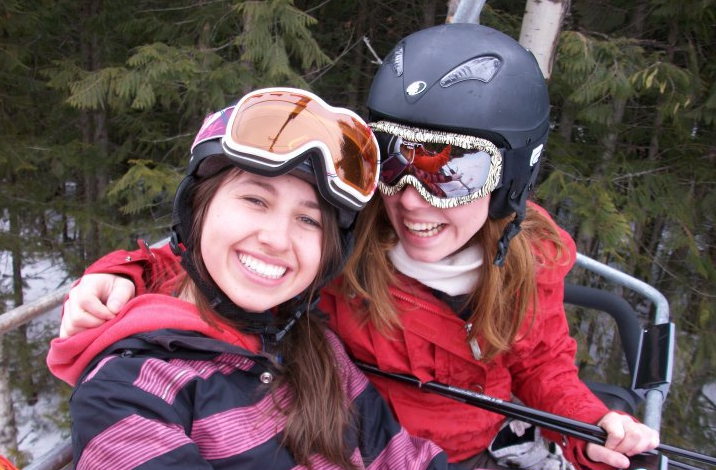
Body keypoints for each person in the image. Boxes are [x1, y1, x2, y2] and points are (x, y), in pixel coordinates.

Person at [49, 25, 659, 470]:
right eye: (394, 161)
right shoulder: (345, 246)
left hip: (453, 450)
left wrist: (589, 427)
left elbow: (541, 362)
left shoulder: (530, 259)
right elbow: (227, 261)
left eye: (453, 173)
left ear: (509, 184)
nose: (414, 199)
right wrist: (124, 272)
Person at [47, 87, 459, 469]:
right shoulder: (130, 395)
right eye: (255, 199)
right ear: (197, 209)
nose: (277, 239)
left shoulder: (314, 347)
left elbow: (400, 458)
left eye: (308, 219)